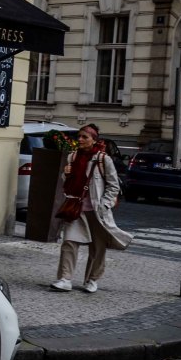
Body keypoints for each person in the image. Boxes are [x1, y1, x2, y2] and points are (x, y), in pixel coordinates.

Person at [49, 124, 132, 293]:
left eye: (84, 137)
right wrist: (66, 173)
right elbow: (68, 184)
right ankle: (65, 279)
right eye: (79, 136)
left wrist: (104, 205)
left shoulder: (102, 159)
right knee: (69, 243)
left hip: (96, 210)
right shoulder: (72, 157)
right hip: (75, 207)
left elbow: (113, 186)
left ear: (94, 140)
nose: (80, 140)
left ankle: (92, 280)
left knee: (97, 247)